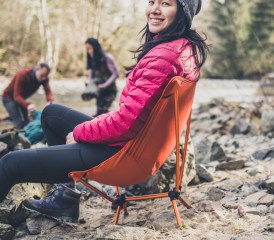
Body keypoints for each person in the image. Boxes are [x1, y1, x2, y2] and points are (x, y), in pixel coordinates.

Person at [0, 0, 208, 223]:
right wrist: (94, 123)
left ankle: (63, 198)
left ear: (182, 13)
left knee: (10, 163)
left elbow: (126, 122)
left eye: (165, 3)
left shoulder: (163, 57)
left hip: (122, 156)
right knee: (51, 114)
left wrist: (79, 132)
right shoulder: (182, 47)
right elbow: (134, 114)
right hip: (134, 147)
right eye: (151, 2)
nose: (154, 9)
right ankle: (65, 199)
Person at [1, 63, 54, 129]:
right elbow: (16, 96)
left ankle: (8, 118)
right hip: (8, 98)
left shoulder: (44, 78)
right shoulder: (22, 75)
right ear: (37, 69)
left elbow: (48, 91)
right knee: (19, 123)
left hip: (21, 98)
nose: (43, 78)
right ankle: (15, 132)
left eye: (46, 76)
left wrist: (50, 101)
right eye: (42, 75)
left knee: (27, 120)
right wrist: (28, 105)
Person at [82, 38, 119, 117]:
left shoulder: (107, 58)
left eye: (90, 48)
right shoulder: (91, 60)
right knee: (99, 114)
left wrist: (105, 85)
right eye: (87, 49)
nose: (89, 51)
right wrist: (89, 84)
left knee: (102, 113)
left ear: (95, 47)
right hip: (99, 91)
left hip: (110, 91)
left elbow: (115, 74)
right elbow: (91, 77)